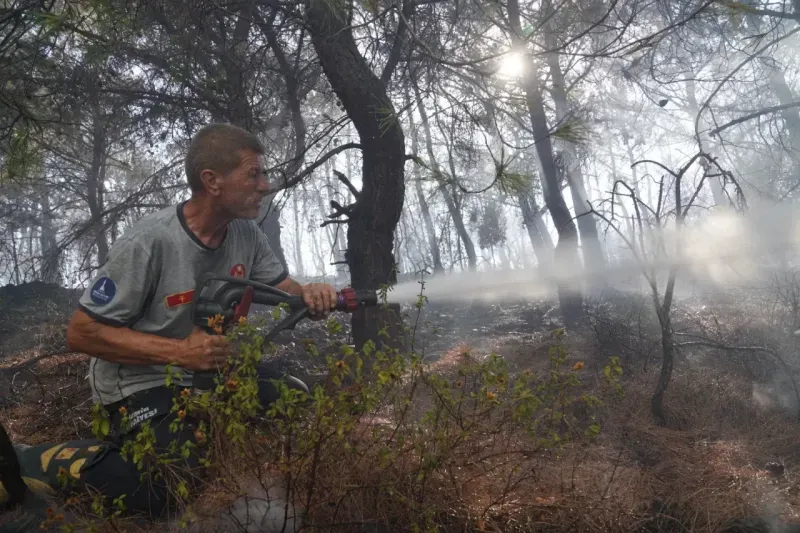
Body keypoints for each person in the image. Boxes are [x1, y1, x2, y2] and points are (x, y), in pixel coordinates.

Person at [61, 123, 338, 519]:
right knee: (164, 485)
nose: (265, 185)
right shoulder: (148, 242)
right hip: (139, 383)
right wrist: (180, 354)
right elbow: (81, 332)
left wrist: (310, 293)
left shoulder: (245, 234)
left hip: (207, 371)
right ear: (212, 181)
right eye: (253, 174)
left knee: (294, 399)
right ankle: (57, 461)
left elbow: (282, 289)